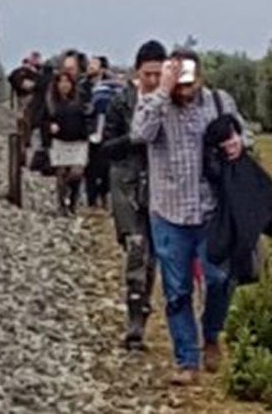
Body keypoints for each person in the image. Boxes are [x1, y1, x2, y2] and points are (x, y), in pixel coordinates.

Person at [131, 48, 249, 385]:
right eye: (178, 77)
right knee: (177, 291)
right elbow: (140, 134)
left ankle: (211, 333)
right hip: (168, 212)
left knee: (219, 279)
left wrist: (239, 142)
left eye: (189, 78)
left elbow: (245, 133)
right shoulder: (155, 103)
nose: (185, 86)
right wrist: (161, 92)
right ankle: (187, 361)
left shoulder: (217, 102)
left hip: (211, 209)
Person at [102, 41, 166, 350]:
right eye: (148, 74)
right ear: (138, 72)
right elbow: (106, 146)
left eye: (158, 74)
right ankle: (134, 317)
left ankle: (139, 317)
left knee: (150, 256)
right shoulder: (121, 103)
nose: (153, 81)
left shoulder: (169, 104)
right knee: (136, 249)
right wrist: (135, 138)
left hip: (159, 187)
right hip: (127, 185)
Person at [41, 71, 89, 217]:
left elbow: (88, 118)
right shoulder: (50, 102)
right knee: (61, 173)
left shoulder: (80, 99)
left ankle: (73, 202)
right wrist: (49, 127)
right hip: (59, 141)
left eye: (67, 82)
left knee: (77, 173)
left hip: (78, 141)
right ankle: (62, 205)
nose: (64, 85)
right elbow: (42, 120)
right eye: (61, 82)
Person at [84, 56, 121, 209]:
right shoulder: (83, 85)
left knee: (106, 167)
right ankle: (91, 200)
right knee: (90, 168)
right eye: (89, 64)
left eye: (94, 64)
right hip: (91, 131)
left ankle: (103, 195)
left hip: (108, 131)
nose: (90, 67)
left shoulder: (113, 86)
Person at [9, 52, 43, 148]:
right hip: (25, 100)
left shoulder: (40, 73)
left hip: (35, 102)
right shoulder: (20, 72)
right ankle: (24, 144)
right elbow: (21, 84)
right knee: (24, 122)